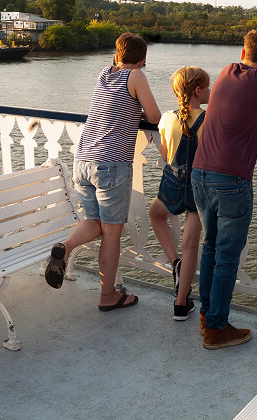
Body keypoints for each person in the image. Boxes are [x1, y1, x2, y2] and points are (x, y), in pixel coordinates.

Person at [45, 32, 160, 312]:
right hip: (111, 165)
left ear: (116, 55)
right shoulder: (136, 76)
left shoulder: (104, 73)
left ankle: (65, 246)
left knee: (95, 223)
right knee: (111, 235)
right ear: (142, 60)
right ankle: (108, 296)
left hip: (83, 160)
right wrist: (139, 114)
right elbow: (155, 117)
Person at [192, 28, 257, 349]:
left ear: (242, 52)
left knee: (211, 247)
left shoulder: (225, 72)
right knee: (227, 256)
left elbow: (235, 115)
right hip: (231, 179)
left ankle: (208, 316)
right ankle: (217, 328)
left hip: (200, 173)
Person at [149, 66, 210, 321]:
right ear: (198, 91)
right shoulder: (209, 120)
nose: (210, 91)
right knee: (190, 244)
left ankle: (175, 262)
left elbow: (165, 156)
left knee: (155, 214)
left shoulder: (166, 118)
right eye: (207, 87)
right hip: (197, 187)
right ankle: (181, 302)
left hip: (172, 183)